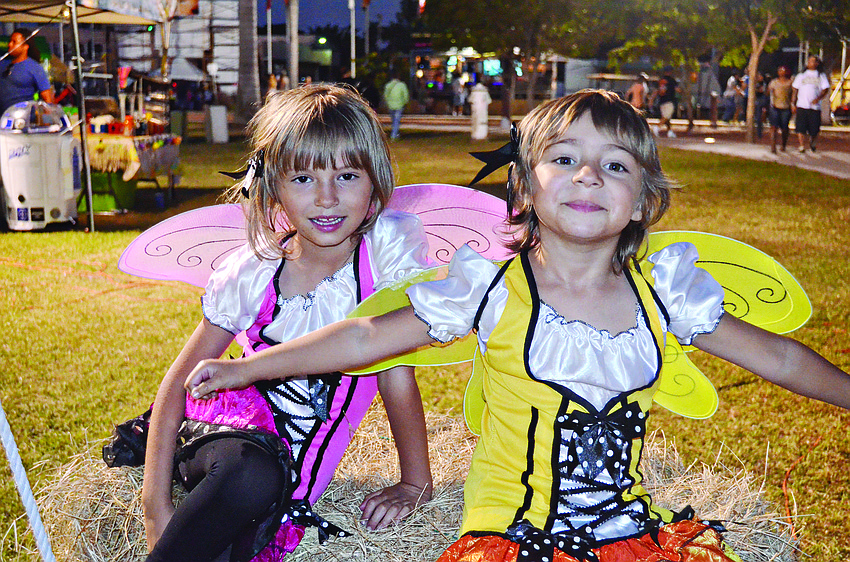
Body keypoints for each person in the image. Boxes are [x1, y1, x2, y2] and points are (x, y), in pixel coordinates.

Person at [186, 89, 850, 562]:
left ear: (641, 202)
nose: (588, 176)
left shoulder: (665, 297)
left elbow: (781, 359)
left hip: (628, 538)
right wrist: (249, 368)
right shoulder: (491, 291)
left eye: (615, 165)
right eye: (564, 159)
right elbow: (363, 337)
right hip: (511, 535)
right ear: (526, 188)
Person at [142, 84, 433, 562]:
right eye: (302, 178)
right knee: (252, 473)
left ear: (376, 181)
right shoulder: (255, 271)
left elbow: (396, 377)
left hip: (282, 486)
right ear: (273, 186)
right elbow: (178, 383)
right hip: (220, 438)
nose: (326, 198)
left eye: (346, 176)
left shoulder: (380, 265)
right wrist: (156, 507)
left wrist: (415, 482)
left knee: (244, 528)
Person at [0, 28, 54, 114]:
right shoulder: (2, 64)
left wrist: (48, 117)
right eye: (10, 41)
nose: (10, 44)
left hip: (22, 118)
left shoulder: (34, 68)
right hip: (2, 118)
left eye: (14, 42)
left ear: (25, 46)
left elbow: (47, 97)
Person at [792, 55, 830, 153]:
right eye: (809, 61)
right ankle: (801, 145)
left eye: (812, 61)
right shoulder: (801, 75)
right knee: (800, 128)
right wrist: (793, 103)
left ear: (817, 63)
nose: (809, 63)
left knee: (814, 129)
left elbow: (825, 89)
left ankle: (812, 143)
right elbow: (795, 89)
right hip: (802, 105)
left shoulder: (821, 75)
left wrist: (818, 98)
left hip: (814, 107)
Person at [767, 65, 793, 153]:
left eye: (783, 70)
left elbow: (793, 94)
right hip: (775, 107)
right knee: (774, 127)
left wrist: (793, 104)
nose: (782, 72)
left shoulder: (790, 82)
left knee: (784, 128)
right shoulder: (774, 82)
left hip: (786, 107)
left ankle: (783, 145)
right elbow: (768, 92)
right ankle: (773, 146)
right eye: (780, 70)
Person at [649, 66, 680, 137]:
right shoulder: (672, 80)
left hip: (661, 101)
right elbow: (677, 89)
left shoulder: (660, 80)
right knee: (666, 116)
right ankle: (657, 127)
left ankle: (669, 131)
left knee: (667, 118)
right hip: (669, 101)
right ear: (670, 72)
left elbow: (656, 91)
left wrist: (651, 100)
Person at [383, 69, 409, 140]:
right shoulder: (402, 85)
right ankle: (394, 135)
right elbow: (405, 95)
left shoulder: (388, 85)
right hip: (399, 105)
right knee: (397, 120)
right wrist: (405, 103)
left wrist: (387, 102)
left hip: (390, 105)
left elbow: (385, 95)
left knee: (393, 120)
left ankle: (395, 133)